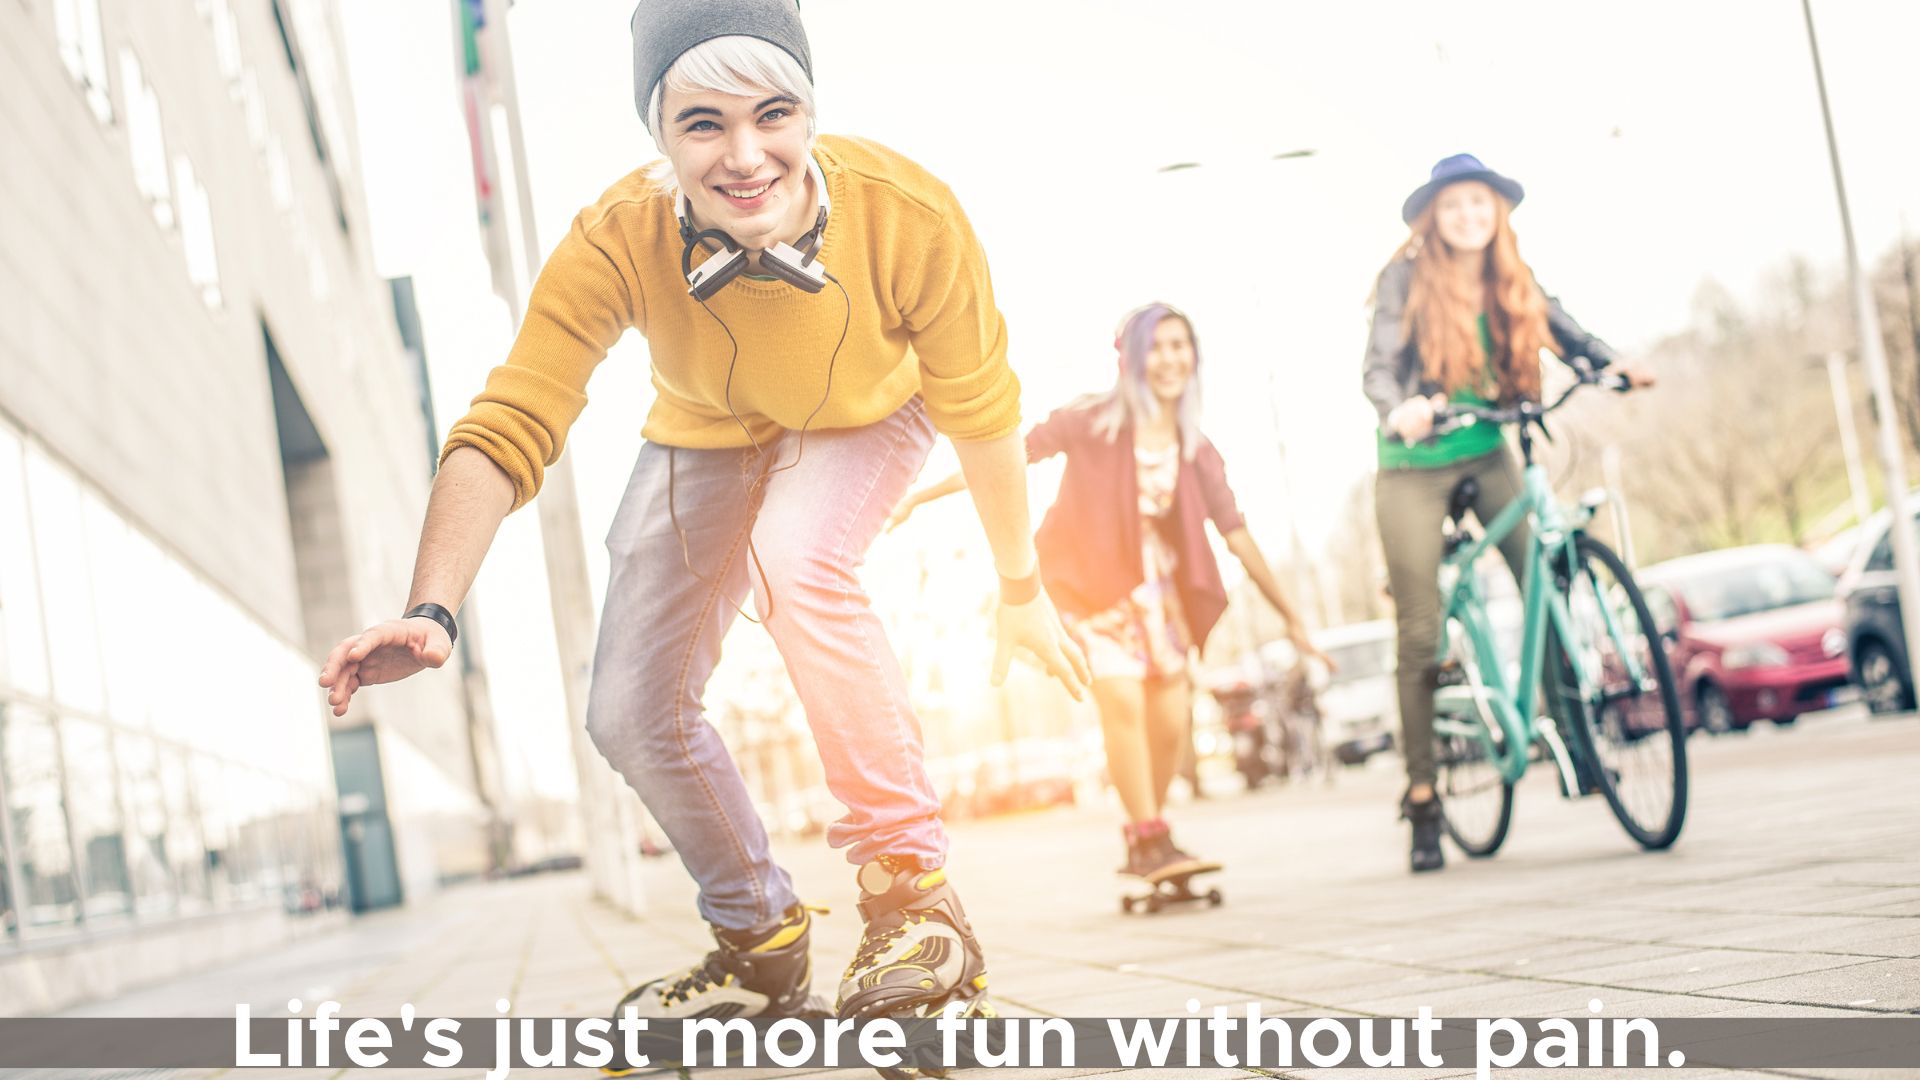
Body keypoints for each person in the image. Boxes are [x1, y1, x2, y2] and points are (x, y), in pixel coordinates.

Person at [316, 0, 1091, 1035]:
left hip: (872, 409)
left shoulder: (910, 215)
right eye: (702, 125)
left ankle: (914, 903)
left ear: (810, 113)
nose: (744, 156)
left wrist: (1020, 586)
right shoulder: (619, 236)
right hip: (707, 429)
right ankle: (758, 942)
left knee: (797, 558)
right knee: (628, 710)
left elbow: (983, 411)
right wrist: (434, 607)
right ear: (658, 136)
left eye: (773, 115)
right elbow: (513, 417)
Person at [891, 303, 1328, 882]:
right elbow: (1007, 455)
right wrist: (923, 495)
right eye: (1159, 346)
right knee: (1121, 701)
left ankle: (1150, 827)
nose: (1171, 358)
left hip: (1164, 600)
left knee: (1171, 721)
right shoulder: (1091, 420)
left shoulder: (1195, 447)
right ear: (1132, 357)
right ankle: (1150, 838)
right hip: (1092, 591)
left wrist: (1292, 617)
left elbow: (1237, 536)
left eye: (1181, 346)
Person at [1364, 154, 1652, 873]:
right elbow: (1377, 363)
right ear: (1434, 215)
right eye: (1454, 205)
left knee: (1543, 575)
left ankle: (1576, 737)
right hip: (1416, 463)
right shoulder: (1404, 278)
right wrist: (1397, 407)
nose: (1468, 217)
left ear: (1498, 213)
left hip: (1490, 446)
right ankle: (1425, 796)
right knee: (1421, 630)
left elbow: (1566, 331)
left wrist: (1612, 364)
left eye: (1481, 204)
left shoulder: (1511, 279)